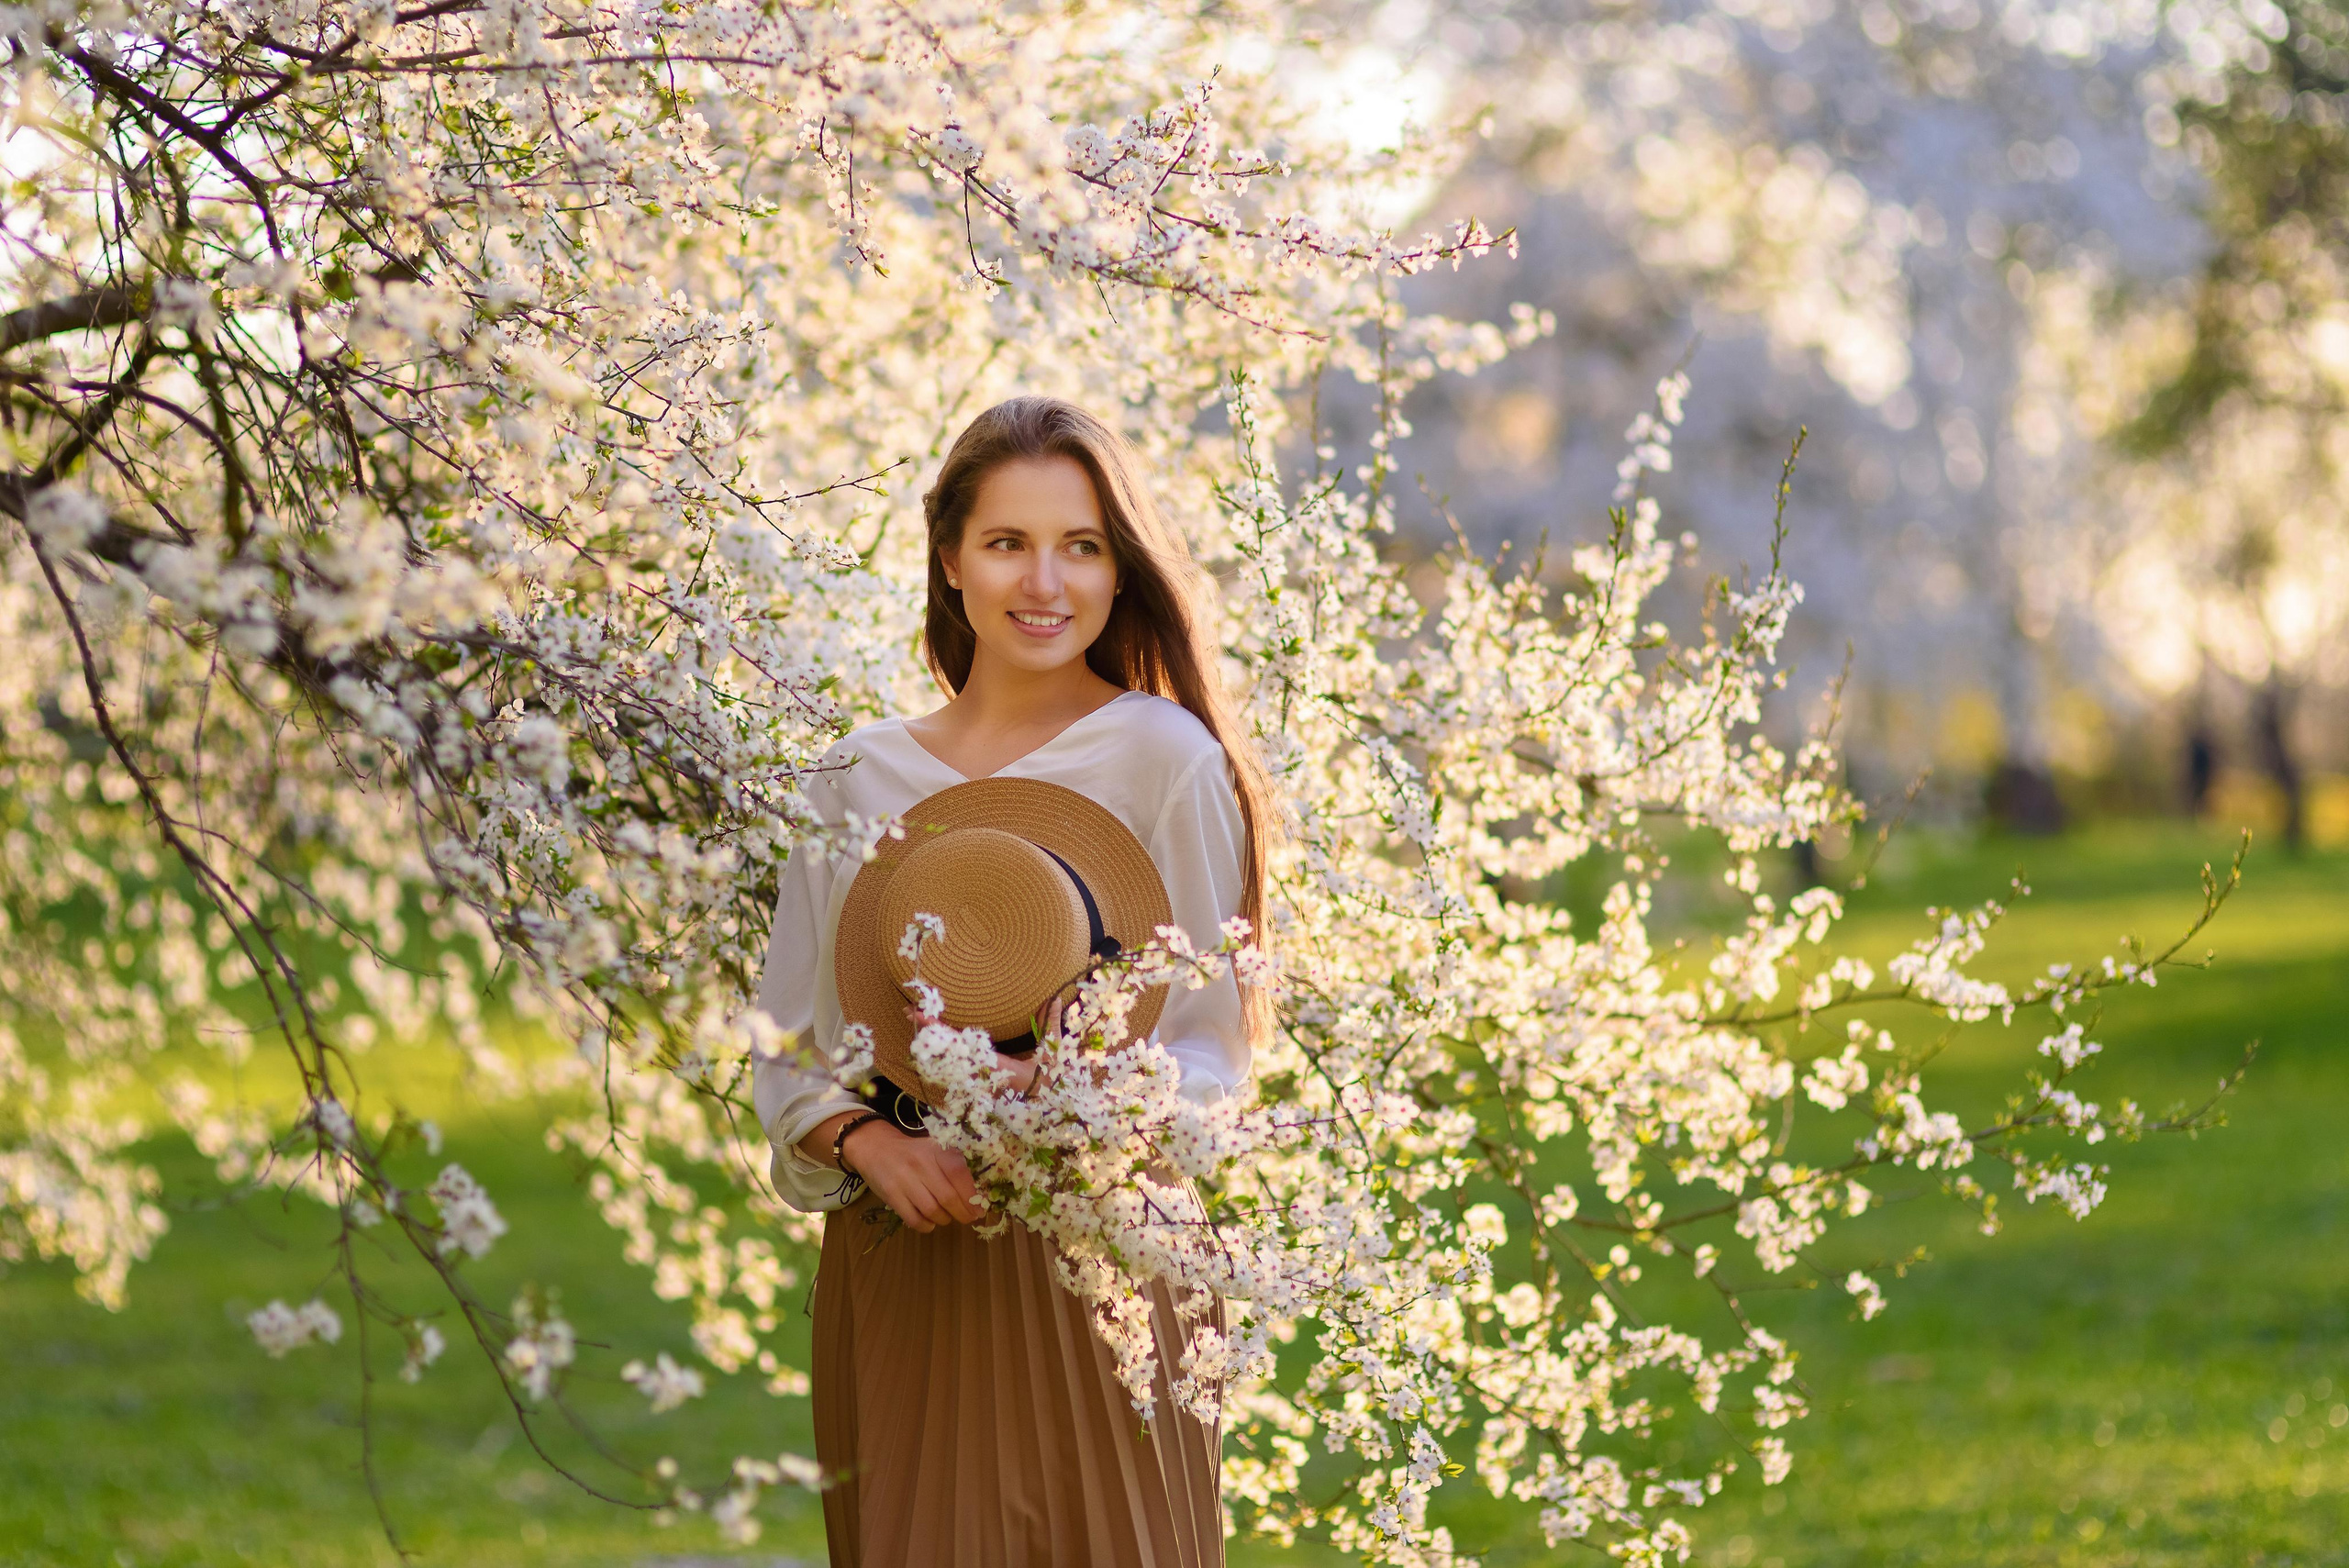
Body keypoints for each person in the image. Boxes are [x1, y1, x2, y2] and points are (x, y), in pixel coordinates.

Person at [751, 396, 1274, 1568]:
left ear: (1118, 564)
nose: (1047, 580)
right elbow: (790, 1039)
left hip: (1107, 1250)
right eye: (1008, 542)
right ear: (950, 557)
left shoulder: (1165, 758)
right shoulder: (852, 774)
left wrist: (1088, 1102)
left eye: (1081, 544)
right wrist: (869, 1146)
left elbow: (1208, 1048)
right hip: (909, 1254)